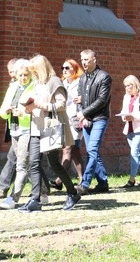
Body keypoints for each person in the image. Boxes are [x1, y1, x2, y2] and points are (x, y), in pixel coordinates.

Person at [20, 54, 80, 212]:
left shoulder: (54, 81)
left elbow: (61, 105)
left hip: (49, 128)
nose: (33, 74)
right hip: (35, 127)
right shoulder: (37, 83)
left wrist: (40, 105)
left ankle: (73, 193)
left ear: (41, 68)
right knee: (33, 163)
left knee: (54, 164)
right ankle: (35, 199)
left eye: (35, 71)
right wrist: (28, 108)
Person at [0, 59, 35, 209]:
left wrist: (22, 114)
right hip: (14, 129)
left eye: (26, 75)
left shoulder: (34, 87)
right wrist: (6, 112)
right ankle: (44, 192)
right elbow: (1, 110)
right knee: (31, 164)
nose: (23, 78)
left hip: (28, 129)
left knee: (21, 165)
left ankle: (13, 198)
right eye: (20, 75)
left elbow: (36, 112)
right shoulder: (13, 87)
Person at [75, 49, 112, 195]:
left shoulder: (104, 77)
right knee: (93, 151)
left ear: (94, 59)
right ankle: (103, 183)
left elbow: (102, 100)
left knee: (92, 150)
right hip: (87, 119)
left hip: (99, 118)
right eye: (82, 59)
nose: (84, 62)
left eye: (86, 59)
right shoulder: (82, 78)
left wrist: (84, 112)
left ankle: (85, 183)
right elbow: (79, 99)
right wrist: (82, 115)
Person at [49, 59, 84, 192]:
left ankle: (60, 180)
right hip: (63, 119)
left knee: (67, 149)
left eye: (67, 68)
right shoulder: (62, 83)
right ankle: (82, 179)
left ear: (75, 69)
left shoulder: (79, 83)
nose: (64, 70)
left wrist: (82, 100)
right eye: (63, 68)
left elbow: (86, 98)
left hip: (75, 119)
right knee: (74, 151)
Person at [0, 58, 19, 199]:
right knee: (25, 160)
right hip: (13, 125)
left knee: (15, 157)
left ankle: (3, 188)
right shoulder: (13, 84)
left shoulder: (24, 84)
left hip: (24, 127)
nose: (10, 74)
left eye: (13, 71)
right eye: (9, 71)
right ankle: (43, 188)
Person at [118, 75, 140, 187]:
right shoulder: (126, 97)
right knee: (137, 153)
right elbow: (124, 110)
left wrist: (134, 116)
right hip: (129, 128)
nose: (127, 88)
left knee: (134, 152)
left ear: (135, 84)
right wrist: (125, 117)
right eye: (126, 86)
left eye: (129, 85)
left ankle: (132, 179)